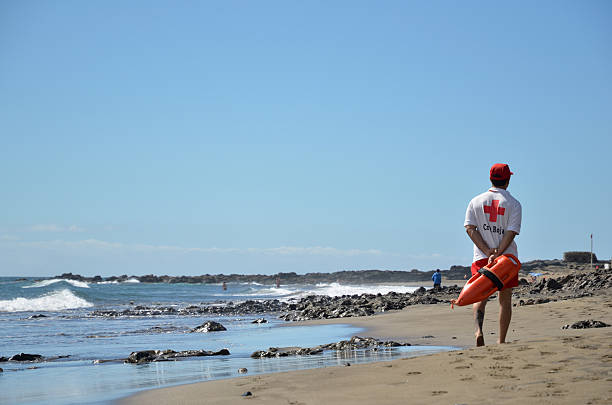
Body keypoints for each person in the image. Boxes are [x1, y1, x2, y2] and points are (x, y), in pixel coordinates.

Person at [464, 163, 522, 346]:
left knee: (480, 296)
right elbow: (511, 232)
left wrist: (487, 250)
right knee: (505, 299)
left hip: (481, 257)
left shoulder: (476, 201)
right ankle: (501, 340)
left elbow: (469, 228)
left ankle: (478, 331)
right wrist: (498, 252)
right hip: (506, 259)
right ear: (508, 180)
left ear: (490, 178)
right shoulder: (514, 204)